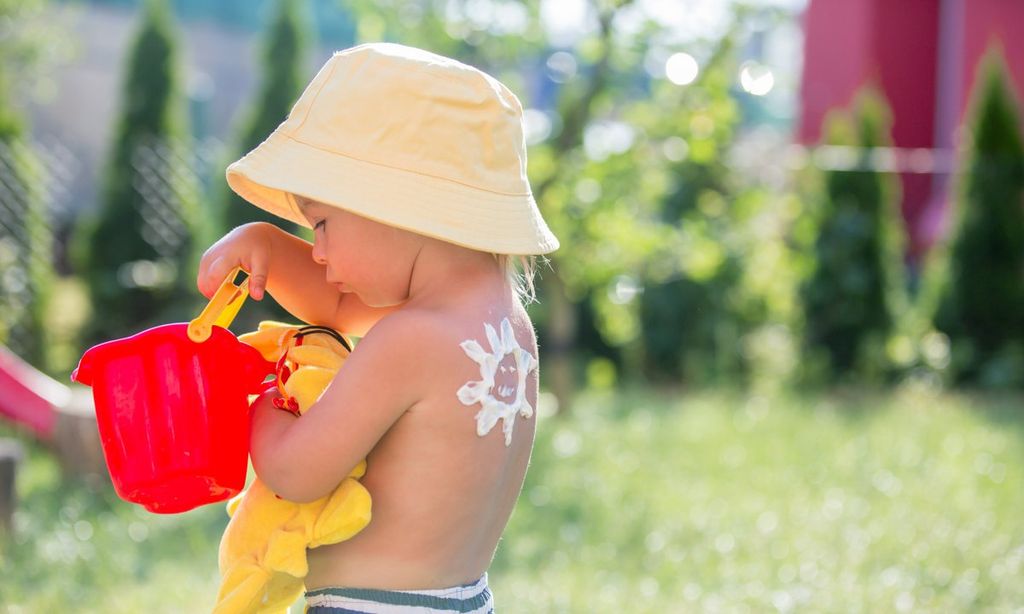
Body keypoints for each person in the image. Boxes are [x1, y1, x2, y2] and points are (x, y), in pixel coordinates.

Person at [196, 42, 559, 613]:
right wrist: (265, 244)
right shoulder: (497, 324)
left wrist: (268, 401)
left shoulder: (410, 338)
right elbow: (340, 309)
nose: (316, 251)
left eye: (319, 224)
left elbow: (295, 473)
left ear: (391, 203)